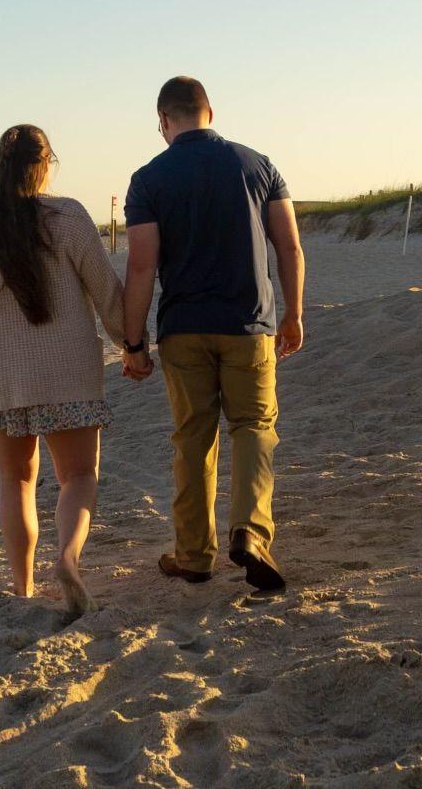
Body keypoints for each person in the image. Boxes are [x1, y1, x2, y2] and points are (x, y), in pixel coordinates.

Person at [119, 75, 304, 593]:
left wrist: (132, 344)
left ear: (163, 122)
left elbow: (140, 268)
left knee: (194, 439)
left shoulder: (149, 178)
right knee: (253, 427)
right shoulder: (257, 164)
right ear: (211, 112)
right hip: (249, 324)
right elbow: (289, 246)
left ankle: (194, 555)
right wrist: (294, 313)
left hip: (183, 330)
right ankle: (250, 531)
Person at [0, 124, 124, 618]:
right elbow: (106, 291)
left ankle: (22, 588)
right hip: (68, 373)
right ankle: (68, 558)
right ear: (46, 165)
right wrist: (133, 343)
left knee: (16, 482)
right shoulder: (69, 217)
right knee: (78, 474)